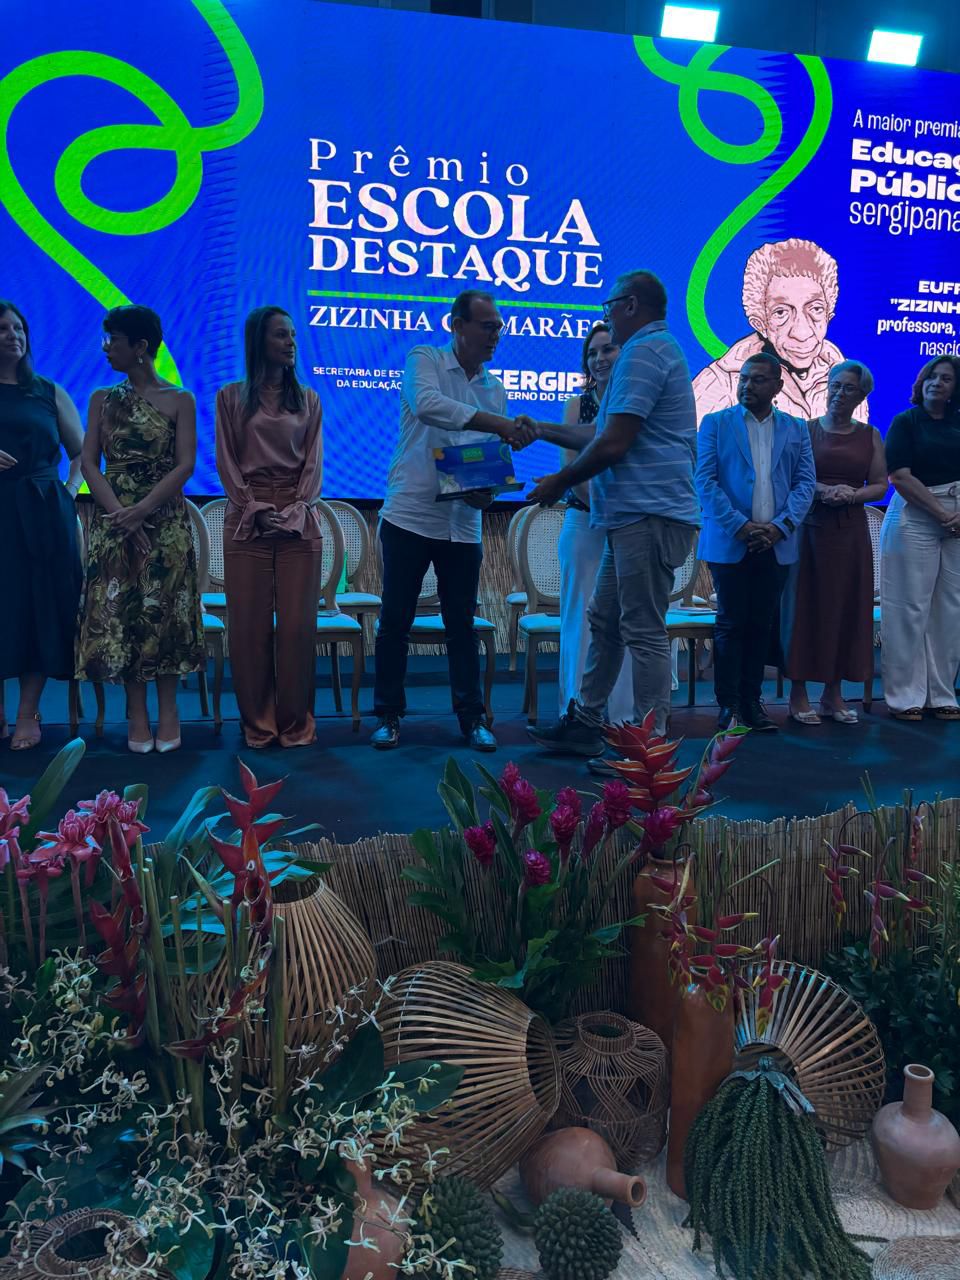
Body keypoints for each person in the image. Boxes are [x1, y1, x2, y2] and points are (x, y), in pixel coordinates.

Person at [523, 269, 699, 754]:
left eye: (607, 307)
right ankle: (587, 722)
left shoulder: (644, 352)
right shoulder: (650, 352)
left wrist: (559, 482)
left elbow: (615, 444)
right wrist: (540, 429)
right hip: (629, 517)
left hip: (649, 514)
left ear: (628, 306)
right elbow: (599, 433)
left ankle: (649, 746)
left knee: (642, 629)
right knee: (605, 620)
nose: (604, 318)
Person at [371, 289, 533, 752]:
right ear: (456, 326)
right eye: (486, 326)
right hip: (411, 514)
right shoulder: (424, 360)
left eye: (498, 327)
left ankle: (471, 718)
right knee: (395, 620)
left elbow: (483, 466)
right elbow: (427, 406)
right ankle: (388, 715)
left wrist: (487, 492)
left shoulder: (494, 388)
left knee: (462, 623)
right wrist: (499, 425)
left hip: (462, 524)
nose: (495, 335)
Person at [76, 305, 204, 753]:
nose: (106, 348)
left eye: (113, 340)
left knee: (165, 613)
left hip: (165, 521)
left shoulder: (180, 399)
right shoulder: (100, 400)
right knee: (126, 616)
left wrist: (143, 510)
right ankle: (136, 713)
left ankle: (169, 711)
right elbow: (89, 461)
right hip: (114, 522)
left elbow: (186, 463)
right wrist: (119, 513)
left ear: (140, 347)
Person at [215, 307, 324, 748]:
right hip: (247, 518)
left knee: (297, 629)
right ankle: (258, 724)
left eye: (293, 335)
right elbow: (225, 460)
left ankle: (296, 724)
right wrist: (253, 507)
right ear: (259, 341)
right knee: (249, 629)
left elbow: (314, 463)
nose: (291, 342)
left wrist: (298, 507)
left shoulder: (310, 400)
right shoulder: (230, 398)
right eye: (282, 335)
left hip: (300, 518)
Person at [696, 352, 816, 732]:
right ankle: (728, 705)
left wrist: (780, 527)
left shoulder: (796, 428)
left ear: (778, 386)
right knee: (731, 623)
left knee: (762, 624)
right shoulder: (715, 424)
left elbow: (805, 483)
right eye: (744, 378)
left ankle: (753, 703)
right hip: (731, 541)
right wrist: (741, 526)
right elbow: (705, 482)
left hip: (776, 543)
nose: (748, 384)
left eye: (758, 379)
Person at [782, 361, 887, 725]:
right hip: (810, 529)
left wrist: (853, 494)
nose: (839, 394)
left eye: (849, 389)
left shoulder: (870, 435)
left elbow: (879, 485)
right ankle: (798, 693)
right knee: (805, 609)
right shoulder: (805, 430)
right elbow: (791, 478)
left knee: (845, 609)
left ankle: (834, 694)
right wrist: (822, 489)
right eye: (835, 385)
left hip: (850, 532)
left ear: (862, 396)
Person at [0, 301, 84, 750]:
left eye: (19, 327)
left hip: (43, 510)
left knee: (39, 609)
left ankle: (27, 713)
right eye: (2, 328)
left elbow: (81, 453)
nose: (13, 334)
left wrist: (69, 492)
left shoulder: (48, 391)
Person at [692, 239, 863, 423]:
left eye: (815, 309)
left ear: (828, 315)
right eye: (781, 313)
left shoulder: (849, 381)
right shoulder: (719, 386)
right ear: (760, 324)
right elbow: (681, 448)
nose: (801, 332)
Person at [554, 322, 632, 723]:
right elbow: (572, 471)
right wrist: (607, 513)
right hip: (585, 526)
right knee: (581, 621)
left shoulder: (636, 405)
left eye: (608, 350)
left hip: (627, 530)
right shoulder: (578, 405)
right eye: (592, 353)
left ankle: (621, 717)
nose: (599, 359)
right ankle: (577, 709)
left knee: (622, 622)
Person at [879, 355, 960, 721]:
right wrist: (942, 514)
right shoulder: (906, 422)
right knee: (909, 609)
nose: (937, 383)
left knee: (950, 612)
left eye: (946, 378)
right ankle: (904, 696)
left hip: (958, 519)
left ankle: (942, 694)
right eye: (932, 376)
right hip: (916, 515)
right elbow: (899, 475)